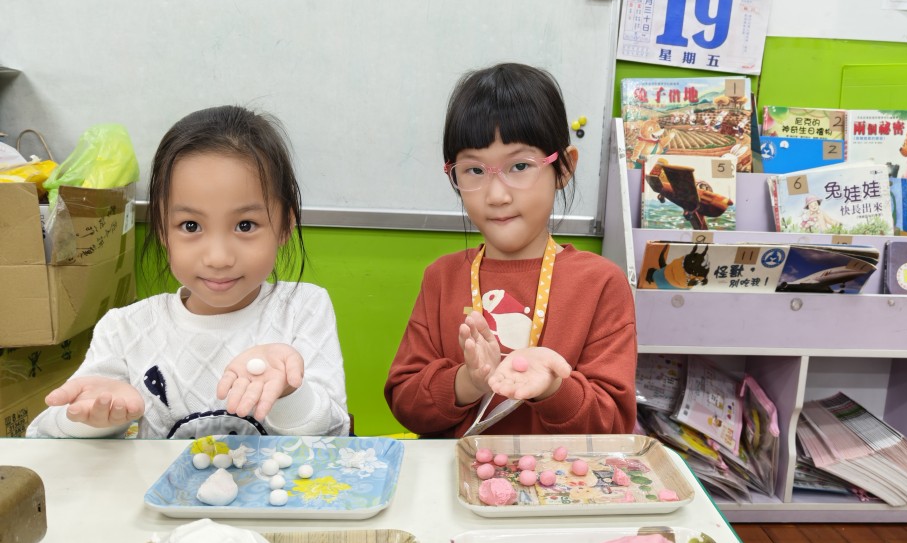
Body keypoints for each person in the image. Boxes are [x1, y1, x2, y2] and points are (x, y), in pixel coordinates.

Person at [27, 105, 350, 439]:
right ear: (162, 229)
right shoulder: (125, 329)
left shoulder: (302, 310)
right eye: (191, 225)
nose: (218, 258)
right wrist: (97, 417)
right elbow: (46, 433)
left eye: (245, 225)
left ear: (285, 226)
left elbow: (333, 432)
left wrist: (289, 392)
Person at [385, 63, 637, 438]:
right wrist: (468, 381)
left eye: (520, 165)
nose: (497, 195)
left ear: (564, 167)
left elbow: (613, 424)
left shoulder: (600, 283)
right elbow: (405, 403)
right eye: (474, 170)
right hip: (457, 473)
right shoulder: (441, 277)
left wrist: (553, 387)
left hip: (558, 475)